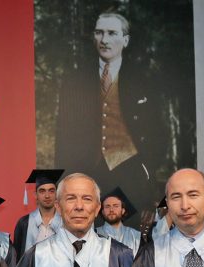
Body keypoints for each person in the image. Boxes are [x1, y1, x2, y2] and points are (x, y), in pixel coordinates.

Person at [54, 12, 164, 212]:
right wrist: (64, 181)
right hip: (87, 174)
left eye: (112, 33)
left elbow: (158, 131)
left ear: (125, 40)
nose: (104, 39)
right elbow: (64, 135)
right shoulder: (74, 81)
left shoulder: (144, 79)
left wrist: (147, 167)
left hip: (132, 172)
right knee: (88, 229)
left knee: (131, 229)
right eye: (99, 33)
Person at [11, 168, 63, 261]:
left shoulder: (66, 222)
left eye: (51, 191)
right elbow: (17, 258)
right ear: (35, 195)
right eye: (42, 191)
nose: (47, 196)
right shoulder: (24, 223)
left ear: (56, 194)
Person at [96, 186, 142, 255]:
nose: (111, 210)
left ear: (123, 211)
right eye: (107, 206)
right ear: (102, 212)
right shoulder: (93, 235)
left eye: (115, 206)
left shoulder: (136, 236)